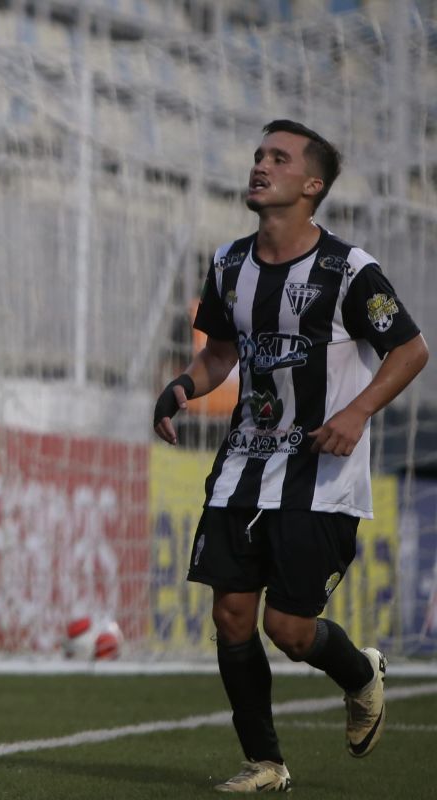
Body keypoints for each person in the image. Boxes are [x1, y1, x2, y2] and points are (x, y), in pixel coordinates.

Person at [153, 120, 428, 793]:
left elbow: (411, 349)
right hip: (243, 465)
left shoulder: (349, 270)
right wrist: (184, 385)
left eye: (278, 158)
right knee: (230, 615)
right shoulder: (227, 265)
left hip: (320, 476)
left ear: (311, 186)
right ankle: (266, 763)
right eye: (257, 155)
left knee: (290, 629)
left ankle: (359, 673)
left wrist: (357, 411)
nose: (259, 166)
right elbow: (221, 351)